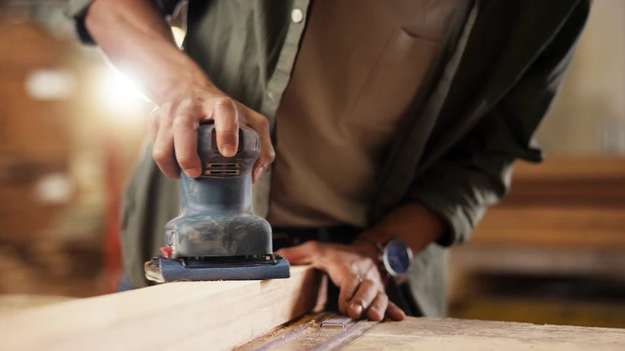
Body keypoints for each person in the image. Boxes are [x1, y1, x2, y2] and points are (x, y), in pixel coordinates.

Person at [67, 0, 591, 321]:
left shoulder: (547, 9)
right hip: (180, 267)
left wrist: (376, 253)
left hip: (366, 269)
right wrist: (184, 88)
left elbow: (485, 157)